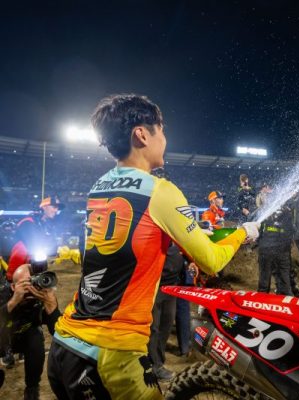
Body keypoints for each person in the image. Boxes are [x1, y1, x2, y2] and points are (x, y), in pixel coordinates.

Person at [47, 94, 260, 399]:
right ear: (142, 135)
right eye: (161, 130)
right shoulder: (160, 190)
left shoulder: (99, 185)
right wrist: (241, 233)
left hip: (64, 345)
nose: (165, 138)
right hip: (111, 356)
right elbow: (212, 261)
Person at [0, 264, 61, 400]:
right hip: (2, 339)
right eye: (28, 282)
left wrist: (51, 306)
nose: (33, 286)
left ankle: (32, 389)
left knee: (36, 338)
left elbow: (58, 333)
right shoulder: (3, 295)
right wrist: (14, 301)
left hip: (23, 338)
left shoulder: (41, 298)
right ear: (13, 287)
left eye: (36, 280)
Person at [148, 243, 198, 381]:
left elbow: (182, 247)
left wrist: (189, 262)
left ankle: (159, 363)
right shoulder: (155, 233)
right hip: (155, 285)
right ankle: (153, 366)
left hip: (172, 285)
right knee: (153, 328)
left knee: (165, 327)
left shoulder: (174, 234)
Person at [7, 196, 63, 281]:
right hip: (19, 268)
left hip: (34, 265)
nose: (56, 210)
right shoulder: (28, 222)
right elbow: (34, 245)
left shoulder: (45, 225)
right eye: (54, 207)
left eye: (57, 208)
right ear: (44, 207)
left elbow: (52, 246)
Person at [257, 197, 293, 296]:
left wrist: (259, 242)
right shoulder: (287, 211)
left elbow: (257, 227)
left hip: (266, 248)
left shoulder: (265, 210)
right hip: (282, 249)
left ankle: (261, 300)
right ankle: (285, 300)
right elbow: (291, 231)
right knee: (284, 278)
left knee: (264, 278)